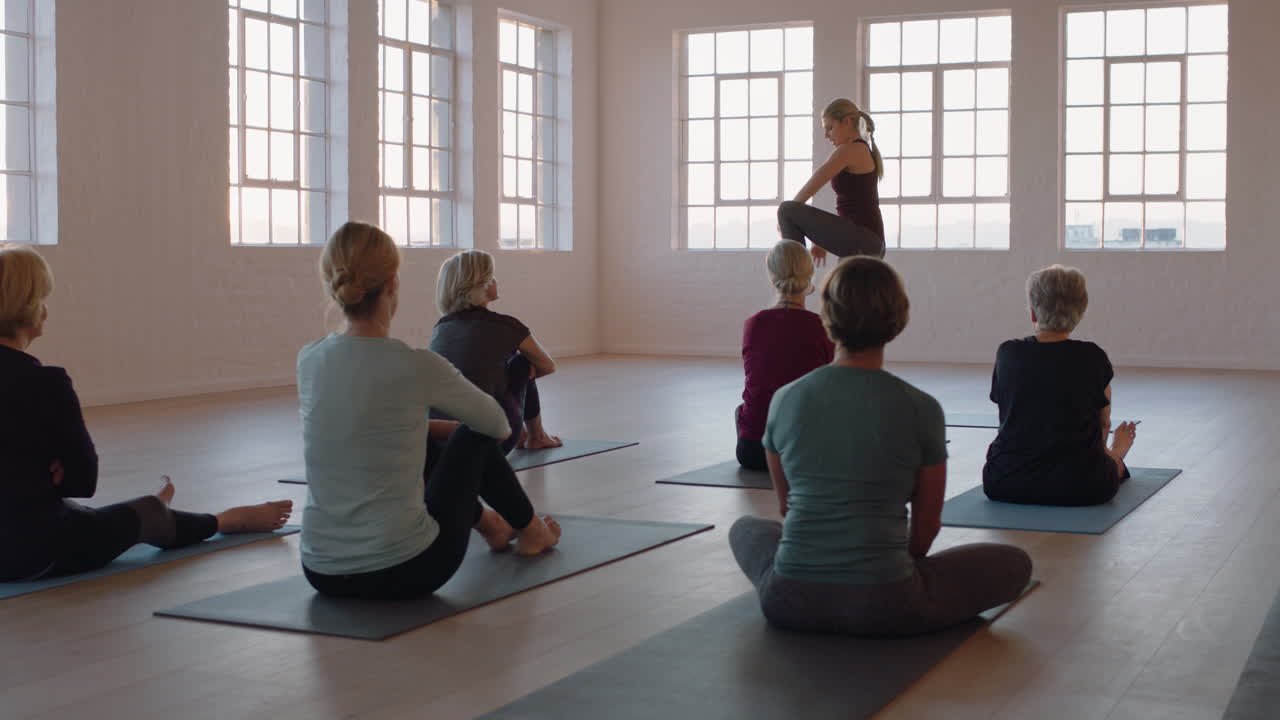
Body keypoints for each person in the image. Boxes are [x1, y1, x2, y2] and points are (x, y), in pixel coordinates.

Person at [729, 256, 1031, 636]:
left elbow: (788, 509)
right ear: (898, 319)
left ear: (827, 318)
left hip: (788, 600)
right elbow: (925, 530)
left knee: (746, 529)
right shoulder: (921, 408)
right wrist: (879, 570)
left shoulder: (786, 399)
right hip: (888, 604)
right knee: (1014, 562)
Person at [297, 222, 560, 600]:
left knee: (415, 434)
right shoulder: (415, 364)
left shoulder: (309, 359)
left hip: (320, 569)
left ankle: (492, 525)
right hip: (409, 570)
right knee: (473, 432)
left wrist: (422, 427)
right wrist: (442, 429)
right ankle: (531, 529)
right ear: (392, 284)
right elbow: (498, 426)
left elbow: (360, 427)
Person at [0, 245, 292, 583]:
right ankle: (226, 520)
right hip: (33, 556)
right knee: (144, 514)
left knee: (72, 512)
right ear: (32, 309)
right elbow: (83, 481)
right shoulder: (46, 382)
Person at [982, 265, 1138, 506]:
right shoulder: (1093, 357)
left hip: (1004, 481)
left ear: (1033, 313)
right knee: (1110, 461)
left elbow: (1008, 418)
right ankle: (1119, 453)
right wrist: (1114, 452)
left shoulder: (1008, 353)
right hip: (1084, 487)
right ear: (1080, 312)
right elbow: (1103, 424)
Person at [430, 249, 561, 454]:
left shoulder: (441, 327)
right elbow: (547, 366)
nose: (496, 281)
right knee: (522, 364)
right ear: (483, 284)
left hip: (439, 439)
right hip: (493, 438)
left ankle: (531, 434)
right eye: (492, 276)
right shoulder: (507, 326)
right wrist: (517, 383)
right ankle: (537, 436)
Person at [736, 240, 834, 471]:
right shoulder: (822, 327)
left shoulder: (754, 324)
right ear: (810, 275)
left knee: (742, 410)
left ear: (772, 275)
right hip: (805, 451)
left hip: (753, 451)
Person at [777, 98, 886, 267]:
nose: (826, 135)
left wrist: (784, 219)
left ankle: (796, 277)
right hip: (867, 242)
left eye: (830, 128)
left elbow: (814, 183)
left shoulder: (851, 150)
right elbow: (853, 208)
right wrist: (822, 240)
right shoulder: (861, 149)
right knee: (845, 293)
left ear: (847, 122)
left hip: (864, 239)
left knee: (787, 209)